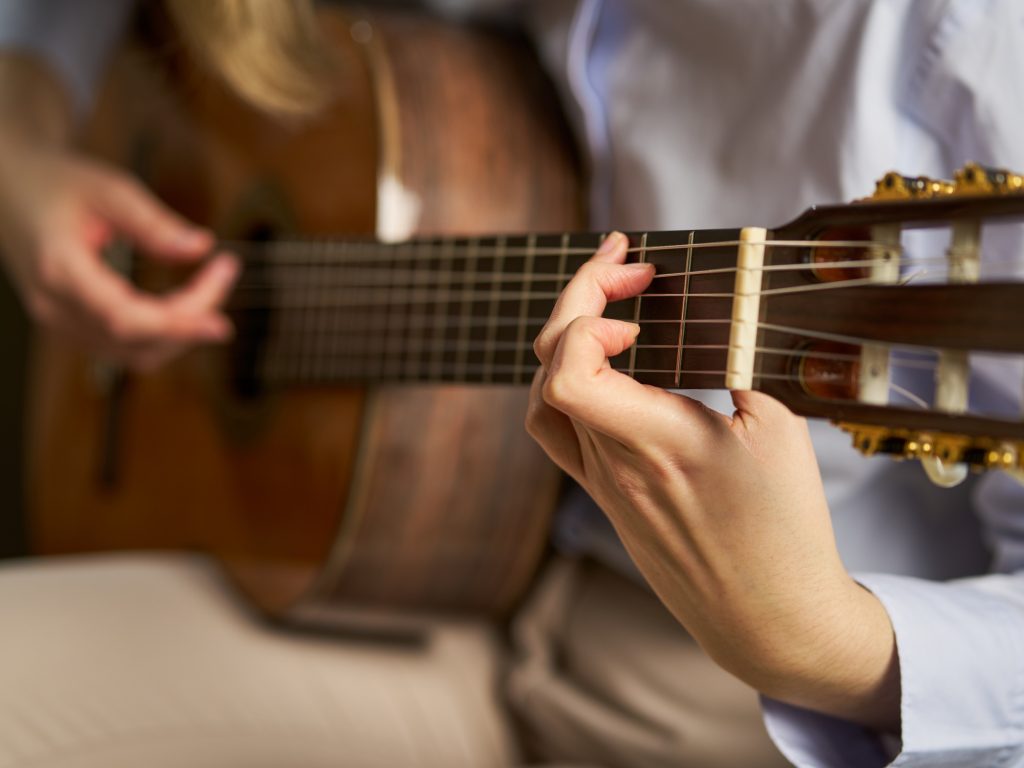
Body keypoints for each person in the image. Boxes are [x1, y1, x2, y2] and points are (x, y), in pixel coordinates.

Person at [0, 1, 1022, 767]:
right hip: (420, 592)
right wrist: (22, 145)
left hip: (704, 707)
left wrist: (828, 645)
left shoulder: (975, 47)